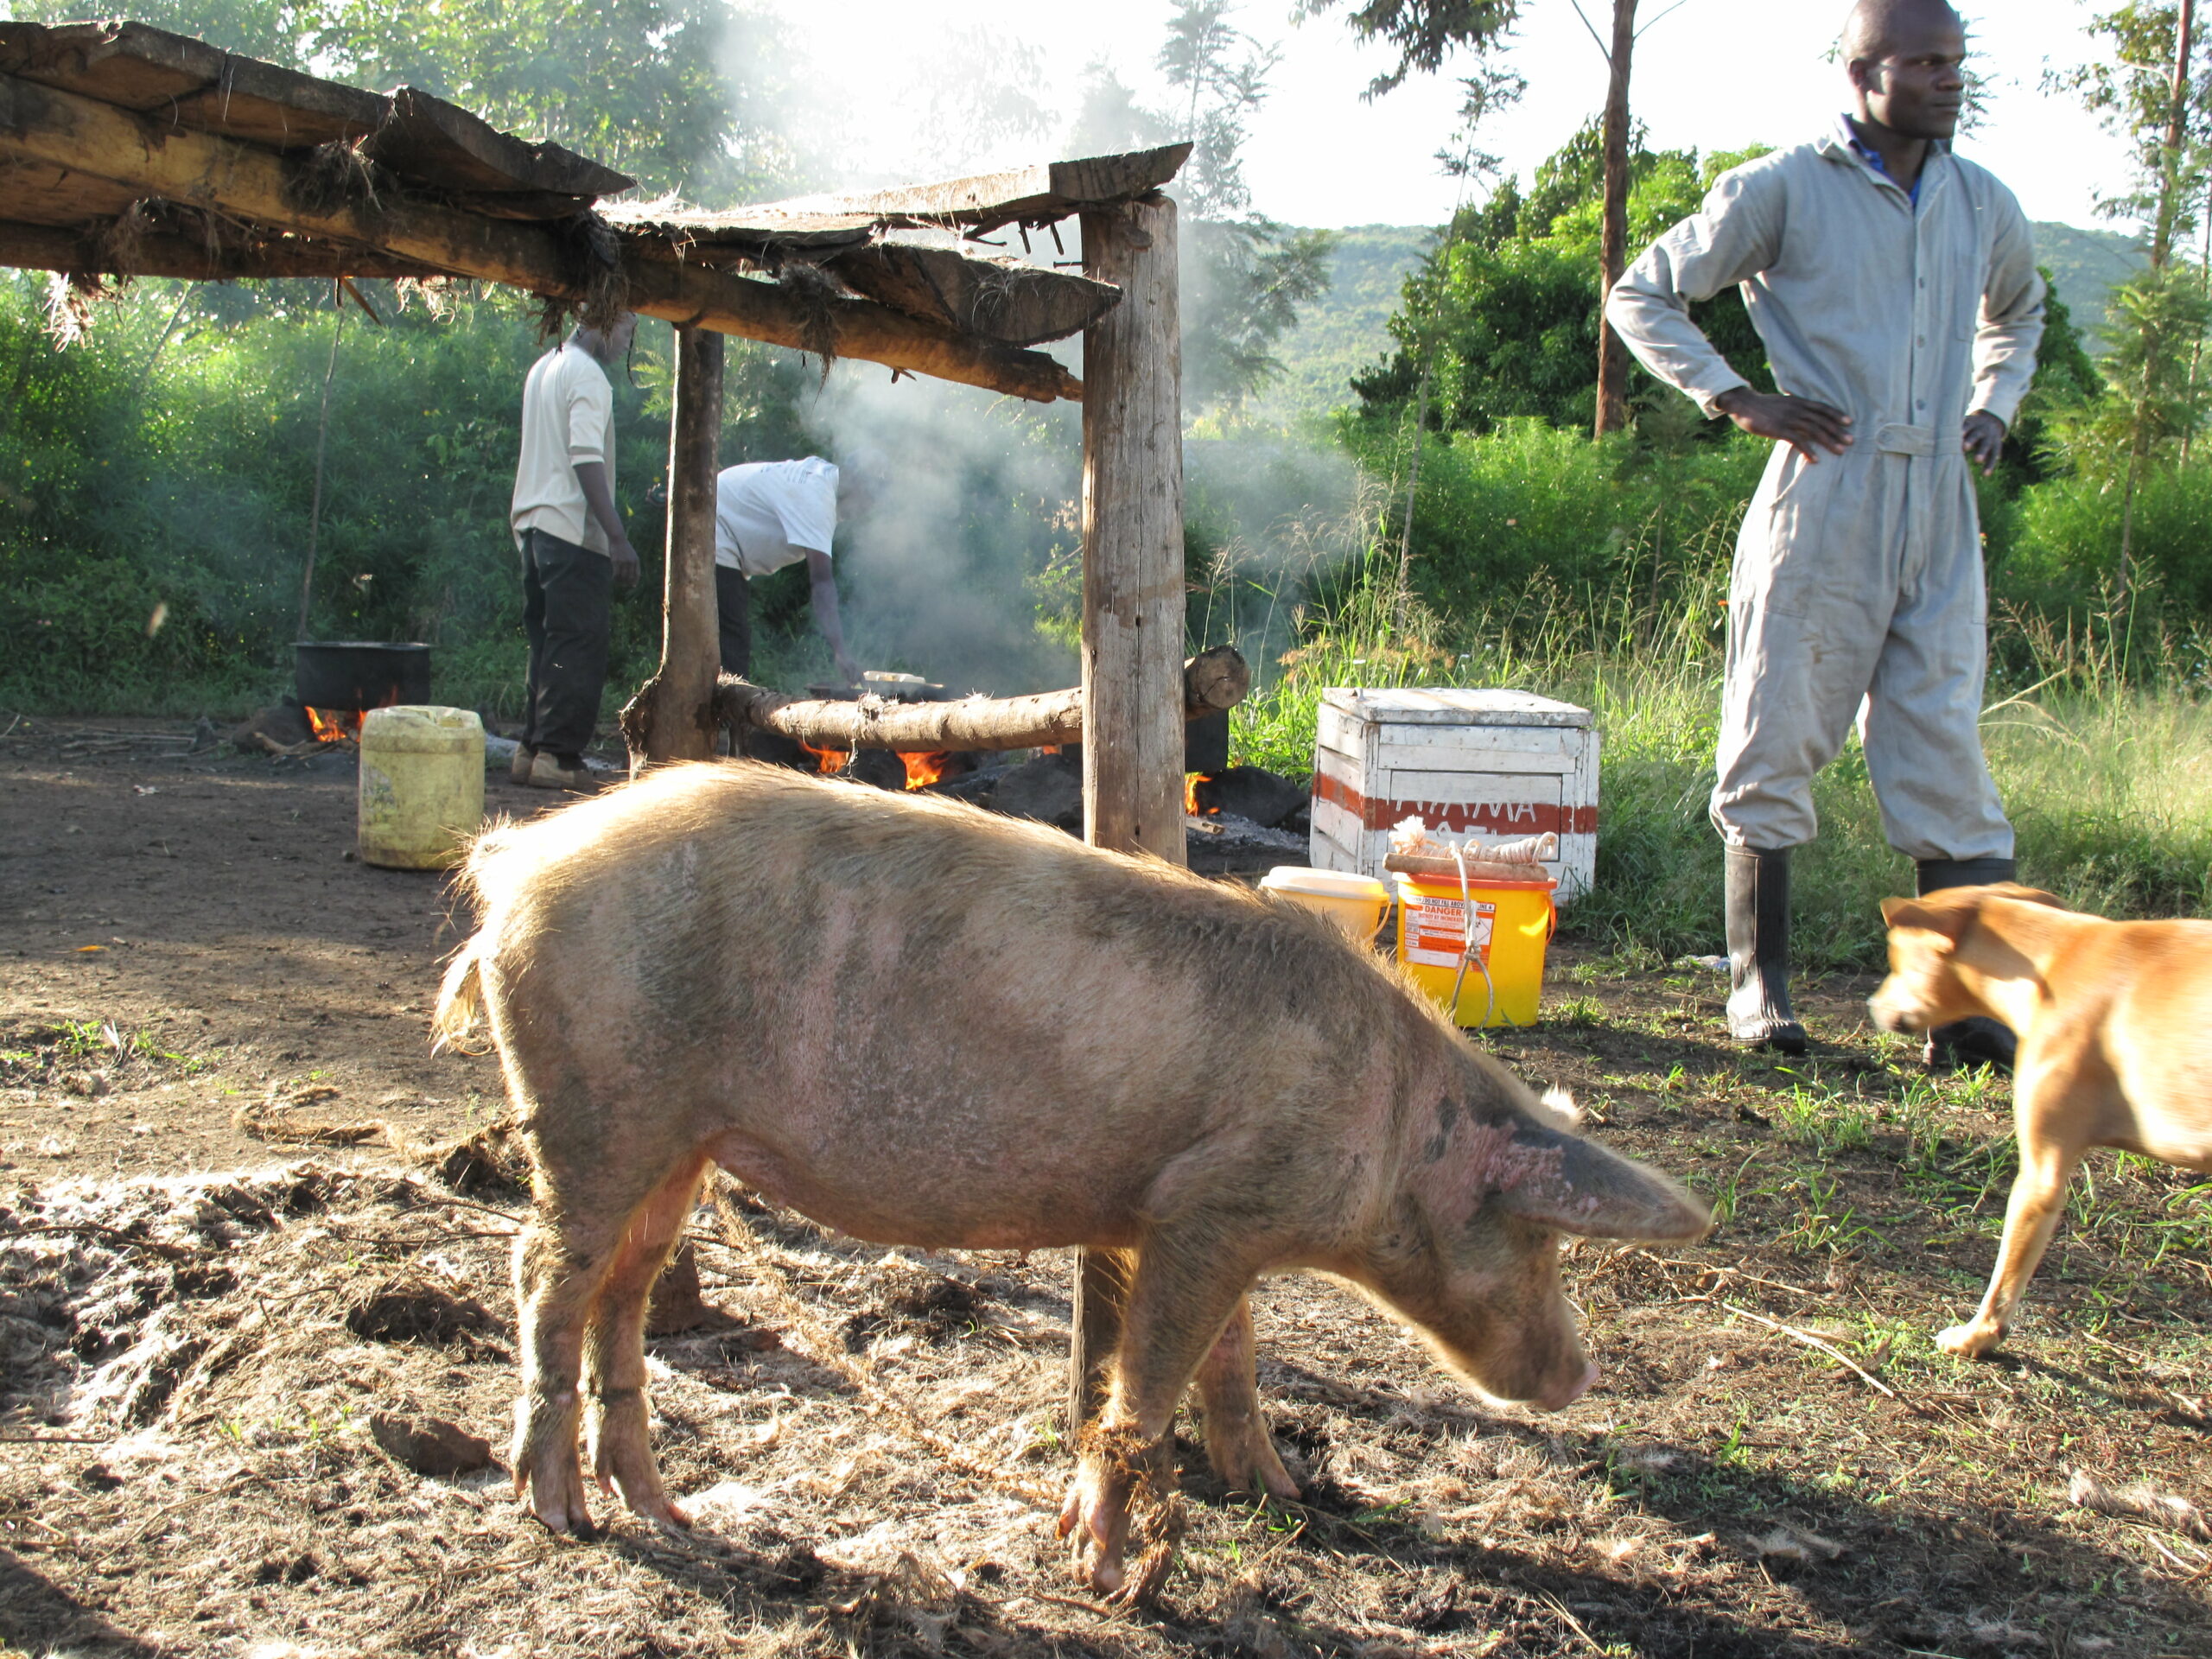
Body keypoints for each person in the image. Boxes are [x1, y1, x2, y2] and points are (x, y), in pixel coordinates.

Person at [1606, 0, 2044, 1066]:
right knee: (1776, 726)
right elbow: (1643, 293)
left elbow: (2017, 312)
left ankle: (1959, 1011)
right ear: (1862, 73)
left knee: (1942, 746)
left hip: (1938, 500)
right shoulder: (1784, 187)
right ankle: (1759, 992)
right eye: (1925, 62)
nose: (1949, 80)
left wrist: (1994, 404)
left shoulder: (1980, 199)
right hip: (1827, 485)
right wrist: (1735, 396)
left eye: (1957, 62)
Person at [506, 312, 641, 792]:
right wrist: (617, 536)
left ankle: (531, 748)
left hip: (533, 526)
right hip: (570, 529)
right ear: (602, 322)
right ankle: (558, 758)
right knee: (578, 643)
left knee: (547, 643)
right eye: (627, 330)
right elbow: (585, 455)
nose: (627, 342)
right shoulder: (587, 374)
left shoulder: (545, 365)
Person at [711, 456, 861, 688]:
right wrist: (840, 652)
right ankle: (731, 721)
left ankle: (723, 715)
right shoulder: (816, 498)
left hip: (721, 518)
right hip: (717, 526)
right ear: (854, 482)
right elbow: (821, 582)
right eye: (870, 498)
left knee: (728, 639)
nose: (869, 508)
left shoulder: (824, 478)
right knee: (733, 642)